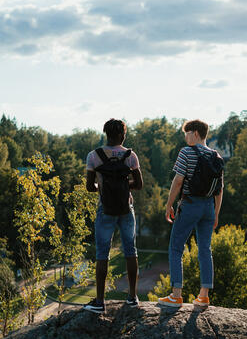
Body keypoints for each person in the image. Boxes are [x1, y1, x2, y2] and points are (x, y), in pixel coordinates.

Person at [158, 119, 223, 308]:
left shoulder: (186, 152)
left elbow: (178, 181)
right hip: (208, 207)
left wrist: (169, 204)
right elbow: (220, 189)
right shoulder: (216, 156)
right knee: (205, 249)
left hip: (190, 204)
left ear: (195, 133)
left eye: (186, 133)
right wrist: (216, 213)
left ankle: (176, 295)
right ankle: (203, 296)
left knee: (176, 247)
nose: (185, 137)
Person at [83, 118, 143, 313]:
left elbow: (89, 187)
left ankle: (100, 301)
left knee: (102, 253)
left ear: (106, 134)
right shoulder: (130, 155)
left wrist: (104, 187)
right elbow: (139, 184)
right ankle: (133, 297)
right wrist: (124, 187)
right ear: (123, 135)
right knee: (130, 251)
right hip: (126, 209)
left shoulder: (94, 156)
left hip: (105, 209)